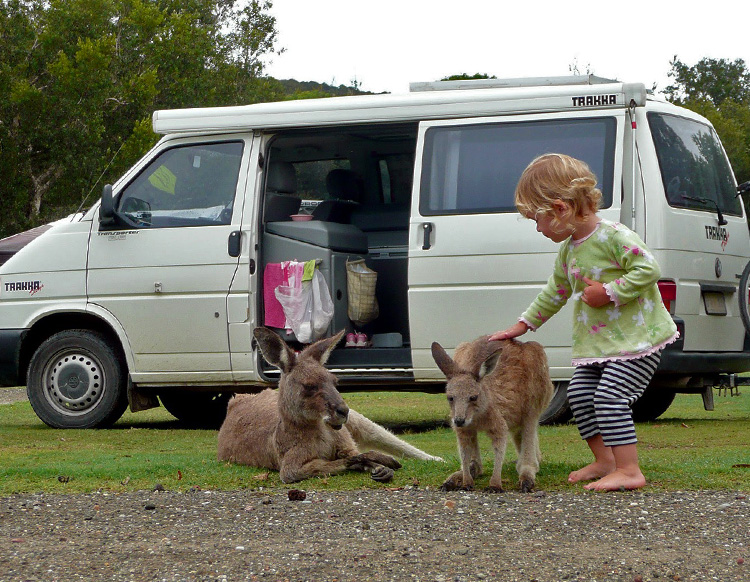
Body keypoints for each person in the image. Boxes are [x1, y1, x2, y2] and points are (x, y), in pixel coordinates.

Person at [488, 153, 678, 491]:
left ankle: (630, 470)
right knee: (579, 393)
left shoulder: (614, 236)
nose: (537, 228)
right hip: (602, 345)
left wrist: (609, 291)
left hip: (637, 343)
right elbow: (555, 292)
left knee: (609, 396)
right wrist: (522, 325)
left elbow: (649, 269)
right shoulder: (569, 250)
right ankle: (606, 460)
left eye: (537, 219)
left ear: (560, 209)